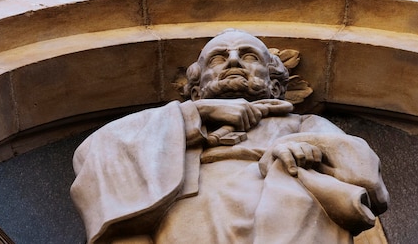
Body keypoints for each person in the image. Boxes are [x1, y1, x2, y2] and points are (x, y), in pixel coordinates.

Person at [70, 29, 389, 243]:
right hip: (192, 215)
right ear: (195, 89)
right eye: (218, 58)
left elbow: (363, 169)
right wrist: (197, 114)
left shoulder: (301, 123)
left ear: (275, 85)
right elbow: (96, 152)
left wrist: (297, 148)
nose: (233, 60)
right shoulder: (169, 125)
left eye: (249, 56)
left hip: (286, 215)